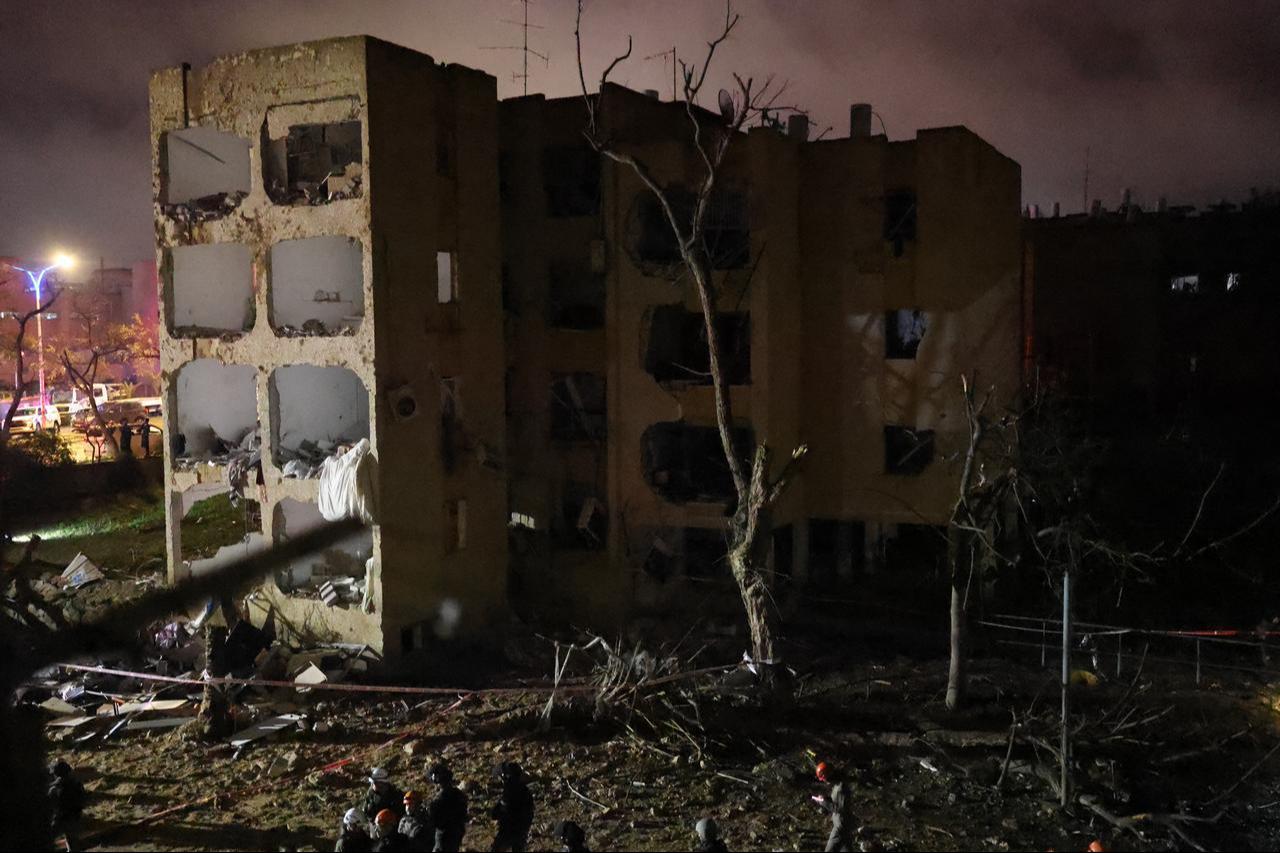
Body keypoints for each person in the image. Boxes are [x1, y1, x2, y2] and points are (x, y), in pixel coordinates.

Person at [489, 760, 534, 852]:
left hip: (509, 829)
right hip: (522, 830)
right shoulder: (525, 790)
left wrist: (495, 812)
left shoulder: (509, 788)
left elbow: (505, 808)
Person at [813, 764, 856, 853]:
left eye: (823, 779)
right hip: (843, 824)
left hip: (841, 825)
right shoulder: (837, 785)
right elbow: (837, 802)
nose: (824, 781)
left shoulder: (841, 788)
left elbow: (840, 809)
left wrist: (823, 802)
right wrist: (825, 799)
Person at [427, 761, 468, 852]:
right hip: (456, 834)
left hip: (443, 837)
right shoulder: (459, 795)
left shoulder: (437, 802)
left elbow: (432, 822)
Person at [48, 758, 86, 844]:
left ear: (55, 773)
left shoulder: (54, 789)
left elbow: (49, 806)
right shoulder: (77, 783)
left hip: (60, 819)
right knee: (72, 840)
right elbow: (83, 799)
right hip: (75, 816)